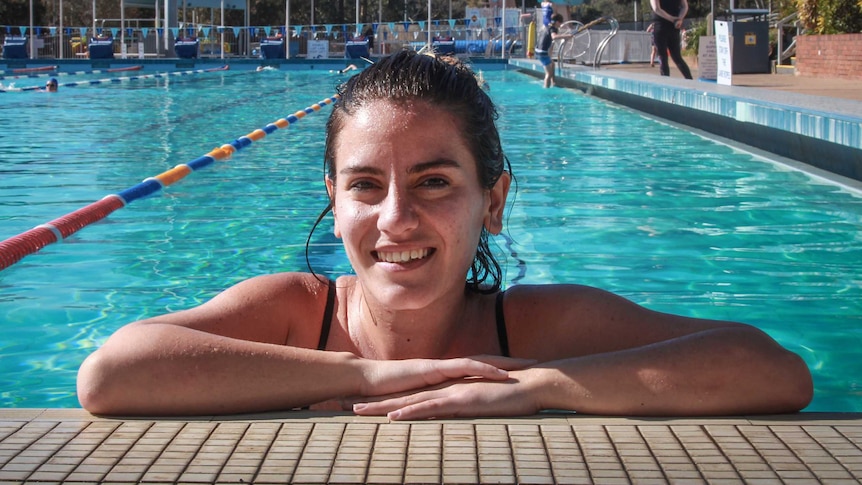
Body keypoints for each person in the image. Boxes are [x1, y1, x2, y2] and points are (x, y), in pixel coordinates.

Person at [77, 50, 813, 419]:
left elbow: (773, 369)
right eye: (366, 184)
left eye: (434, 182)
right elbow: (110, 374)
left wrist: (541, 383)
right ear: (333, 201)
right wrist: (366, 375)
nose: (396, 218)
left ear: (492, 202)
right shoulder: (300, 314)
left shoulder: (532, 326)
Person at [650, 0, 693, 79]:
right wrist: (679, 18)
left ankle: (666, 82)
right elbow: (685, 6)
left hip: (661, 26)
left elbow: (656, 9)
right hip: (673, 26)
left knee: (663, 57)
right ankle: (689, 79)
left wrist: (673, 19)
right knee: (676, 57)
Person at [535, 13, 573, 88]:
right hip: (542, 53)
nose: (561, 24)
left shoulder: (547, 26)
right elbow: (554, 37)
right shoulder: (553, 29)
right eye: (560, 23)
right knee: (548, 74)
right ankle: (546, 89)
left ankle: (553, 82)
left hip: (538, 51)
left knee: (552, 64)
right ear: (557, 22)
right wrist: (566, 36)